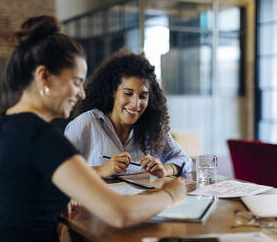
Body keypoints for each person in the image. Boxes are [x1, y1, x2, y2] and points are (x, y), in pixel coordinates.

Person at [0, 16, 186, 242]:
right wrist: (171, 194)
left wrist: (60, 196)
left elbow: (23, 194)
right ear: (45, 77)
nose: (82, 93)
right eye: (77, 82)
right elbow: (120, 213)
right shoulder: (44, 139)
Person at [64, 50, 193, 178]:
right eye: (128, 93)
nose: (135, 104)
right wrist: (101, 170)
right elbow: (60, 172)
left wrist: (166, 169)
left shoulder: (152, 128)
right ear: (114, 91)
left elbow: (184, 158)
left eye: (143, 96)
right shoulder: (85, 124)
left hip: (141, 198)